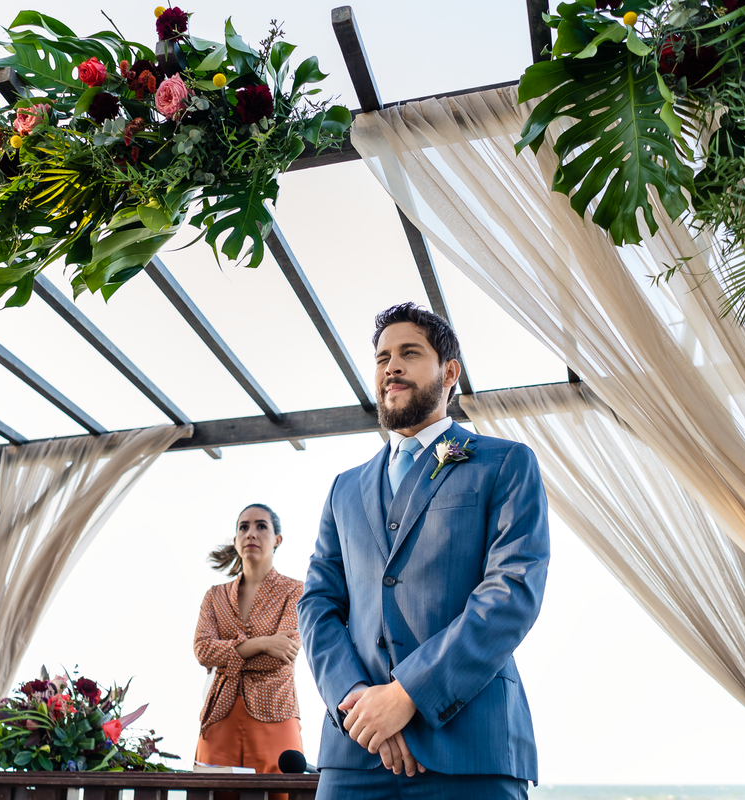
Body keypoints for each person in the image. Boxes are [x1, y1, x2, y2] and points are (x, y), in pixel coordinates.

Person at [298, 303, 551, 800]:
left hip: (471, 749)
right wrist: (356, 700)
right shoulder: (344, 489)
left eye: (409, 353)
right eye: (382, 357)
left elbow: (511, 592)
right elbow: (317, 605)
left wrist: (407, 694)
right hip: (355, 753)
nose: (391, 366)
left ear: (449, 373)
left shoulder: (505, 463)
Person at [194, 503, 306, 782]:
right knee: (214, 794)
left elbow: (282, 654)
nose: (251, 533)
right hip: (219, 719)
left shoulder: (295, 591)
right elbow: (203, 650)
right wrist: (263, 643)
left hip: (276, 714)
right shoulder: (214, 596)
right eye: (243, 527)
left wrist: (228, 654)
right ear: (235, 540)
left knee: (280, 795)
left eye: (261, 526)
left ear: (277, 540)